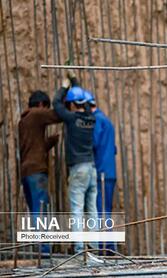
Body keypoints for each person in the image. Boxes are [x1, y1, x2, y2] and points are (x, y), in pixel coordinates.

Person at [52, 72, 98, 254]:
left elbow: (56, 104)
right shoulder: (90, 118)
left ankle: (79, 248)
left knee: (77, 210)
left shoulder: (72, 119)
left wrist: (64, 86)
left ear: (72, 104)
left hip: (78, 169)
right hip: (91, 169)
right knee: (92, 210)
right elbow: (84, 102)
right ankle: (93, 247)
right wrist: (75, 82)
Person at [19, 90, 61, 255]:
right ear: (42, 105)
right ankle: (44, 249)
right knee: (41, 210)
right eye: (46, 107)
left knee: (35, 210)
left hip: (26, 172)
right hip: (37, 171)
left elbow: (34, 147)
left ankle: (41, 247)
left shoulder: (23, 120)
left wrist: (50, 142)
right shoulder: (37, 114)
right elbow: (57, 115)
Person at [84, 90, 117, 253]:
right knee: (106, 209)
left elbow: (93, 143)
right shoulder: (107, 121)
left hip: (101, 172)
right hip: (110, 171)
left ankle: (107, 248)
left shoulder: (96, 120)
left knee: (100, 210)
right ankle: (109, 247)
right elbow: (113, 148)